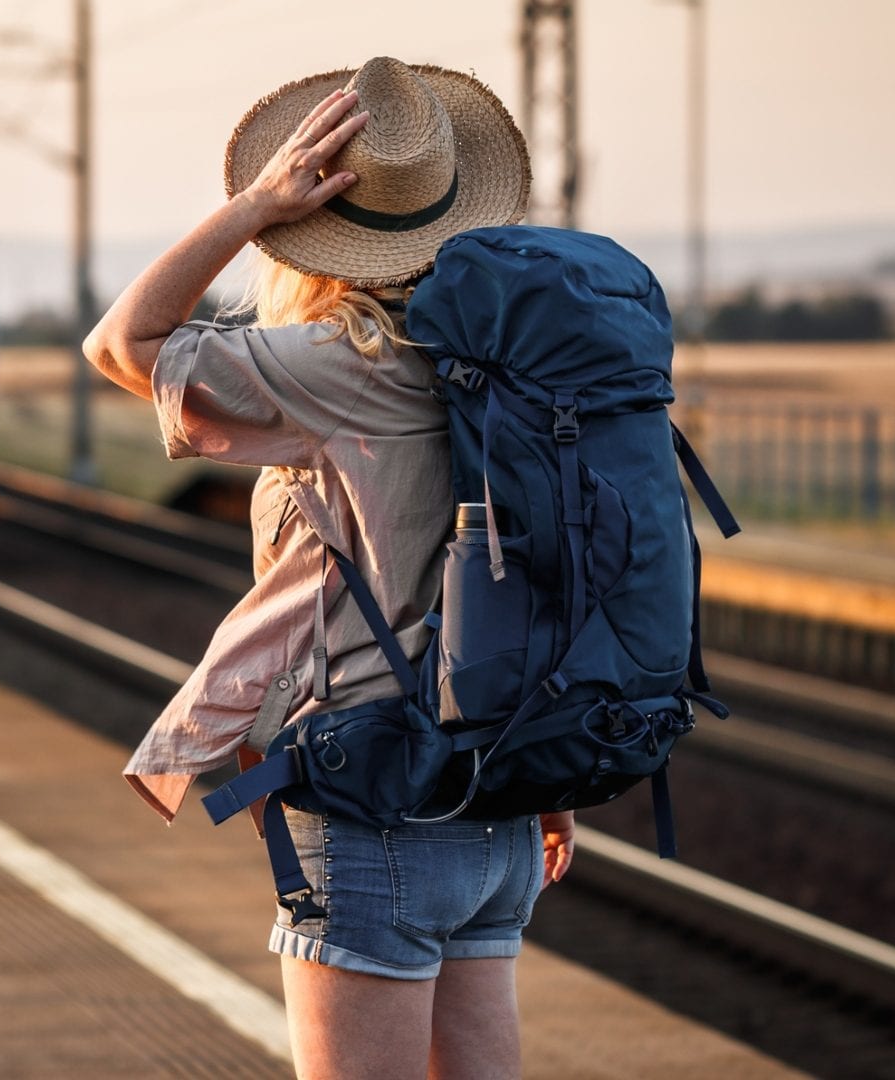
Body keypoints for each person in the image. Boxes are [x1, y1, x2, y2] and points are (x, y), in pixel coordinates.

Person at [83, 58, 576, 1079]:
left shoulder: (346, 364)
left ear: (318, 228)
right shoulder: (524, 366)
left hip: (378, 802)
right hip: (509, 806)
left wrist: (249, 208)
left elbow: (123, 343)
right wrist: (552, 778)